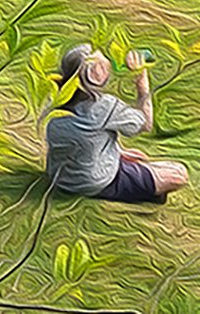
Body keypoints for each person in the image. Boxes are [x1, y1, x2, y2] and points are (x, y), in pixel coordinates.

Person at [44, 44, 190, 203]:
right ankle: (144, 193)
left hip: (63, 179)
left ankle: (141, 184)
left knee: (139, 158)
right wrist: (142, 80)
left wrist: (118, 151)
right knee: (179, 174)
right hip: (96, 182)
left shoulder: (56, 101)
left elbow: (82, 138)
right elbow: (145, 124)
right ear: (94, 75)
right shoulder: (104, 107)